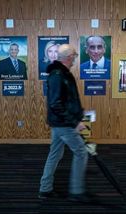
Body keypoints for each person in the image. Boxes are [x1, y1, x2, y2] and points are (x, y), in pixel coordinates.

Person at [39, 44, 91, 203]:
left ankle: (45, 189)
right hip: (63, 124)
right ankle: (76, 192)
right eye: (74, 56)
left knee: (55, 154)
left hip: (61, 123)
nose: (75, 58)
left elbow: (70, 99)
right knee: (81, 152)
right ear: (69, 57)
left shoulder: (63, 74)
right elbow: (55, 104)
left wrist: (79, 115)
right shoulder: (57, 75)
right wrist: (74, 122)